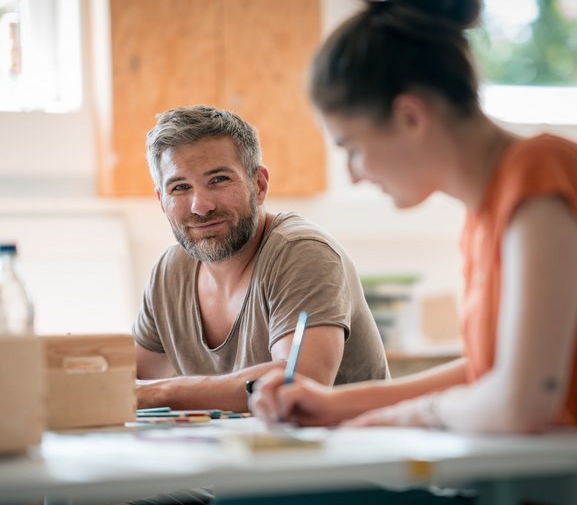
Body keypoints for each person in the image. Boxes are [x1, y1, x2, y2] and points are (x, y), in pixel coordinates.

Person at [251, 0, 577, 505]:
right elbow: (492, 371)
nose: (353, 172)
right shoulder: (489, 212)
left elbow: (519, 401)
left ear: (410, 116)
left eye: (350, 145)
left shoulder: (542, 176)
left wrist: (397, 415)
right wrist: (337, 405)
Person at [133, 105, 390, 413]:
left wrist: (162, 393)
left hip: (341, 455)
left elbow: (298, 382)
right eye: (180, 187)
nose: (201, 206)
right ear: (162, 200)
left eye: (218, 180)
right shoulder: (169, 271)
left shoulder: (302, 251)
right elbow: (125, 380)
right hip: (240, 455)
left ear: (259, 185)